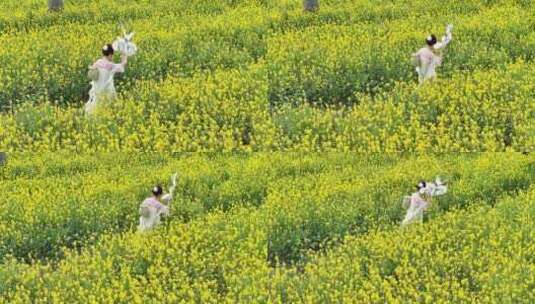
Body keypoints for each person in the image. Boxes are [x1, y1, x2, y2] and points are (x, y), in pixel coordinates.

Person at [85, 44, 128, 114]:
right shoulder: (110, 65)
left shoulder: (97, 62)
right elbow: (122, 65)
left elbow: (91, 71)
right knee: (109, 108)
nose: (112, 57)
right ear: (110, 55)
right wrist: (124, 57)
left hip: (97, 91)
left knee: (96, 109)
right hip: (106, 92)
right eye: (112, 55)